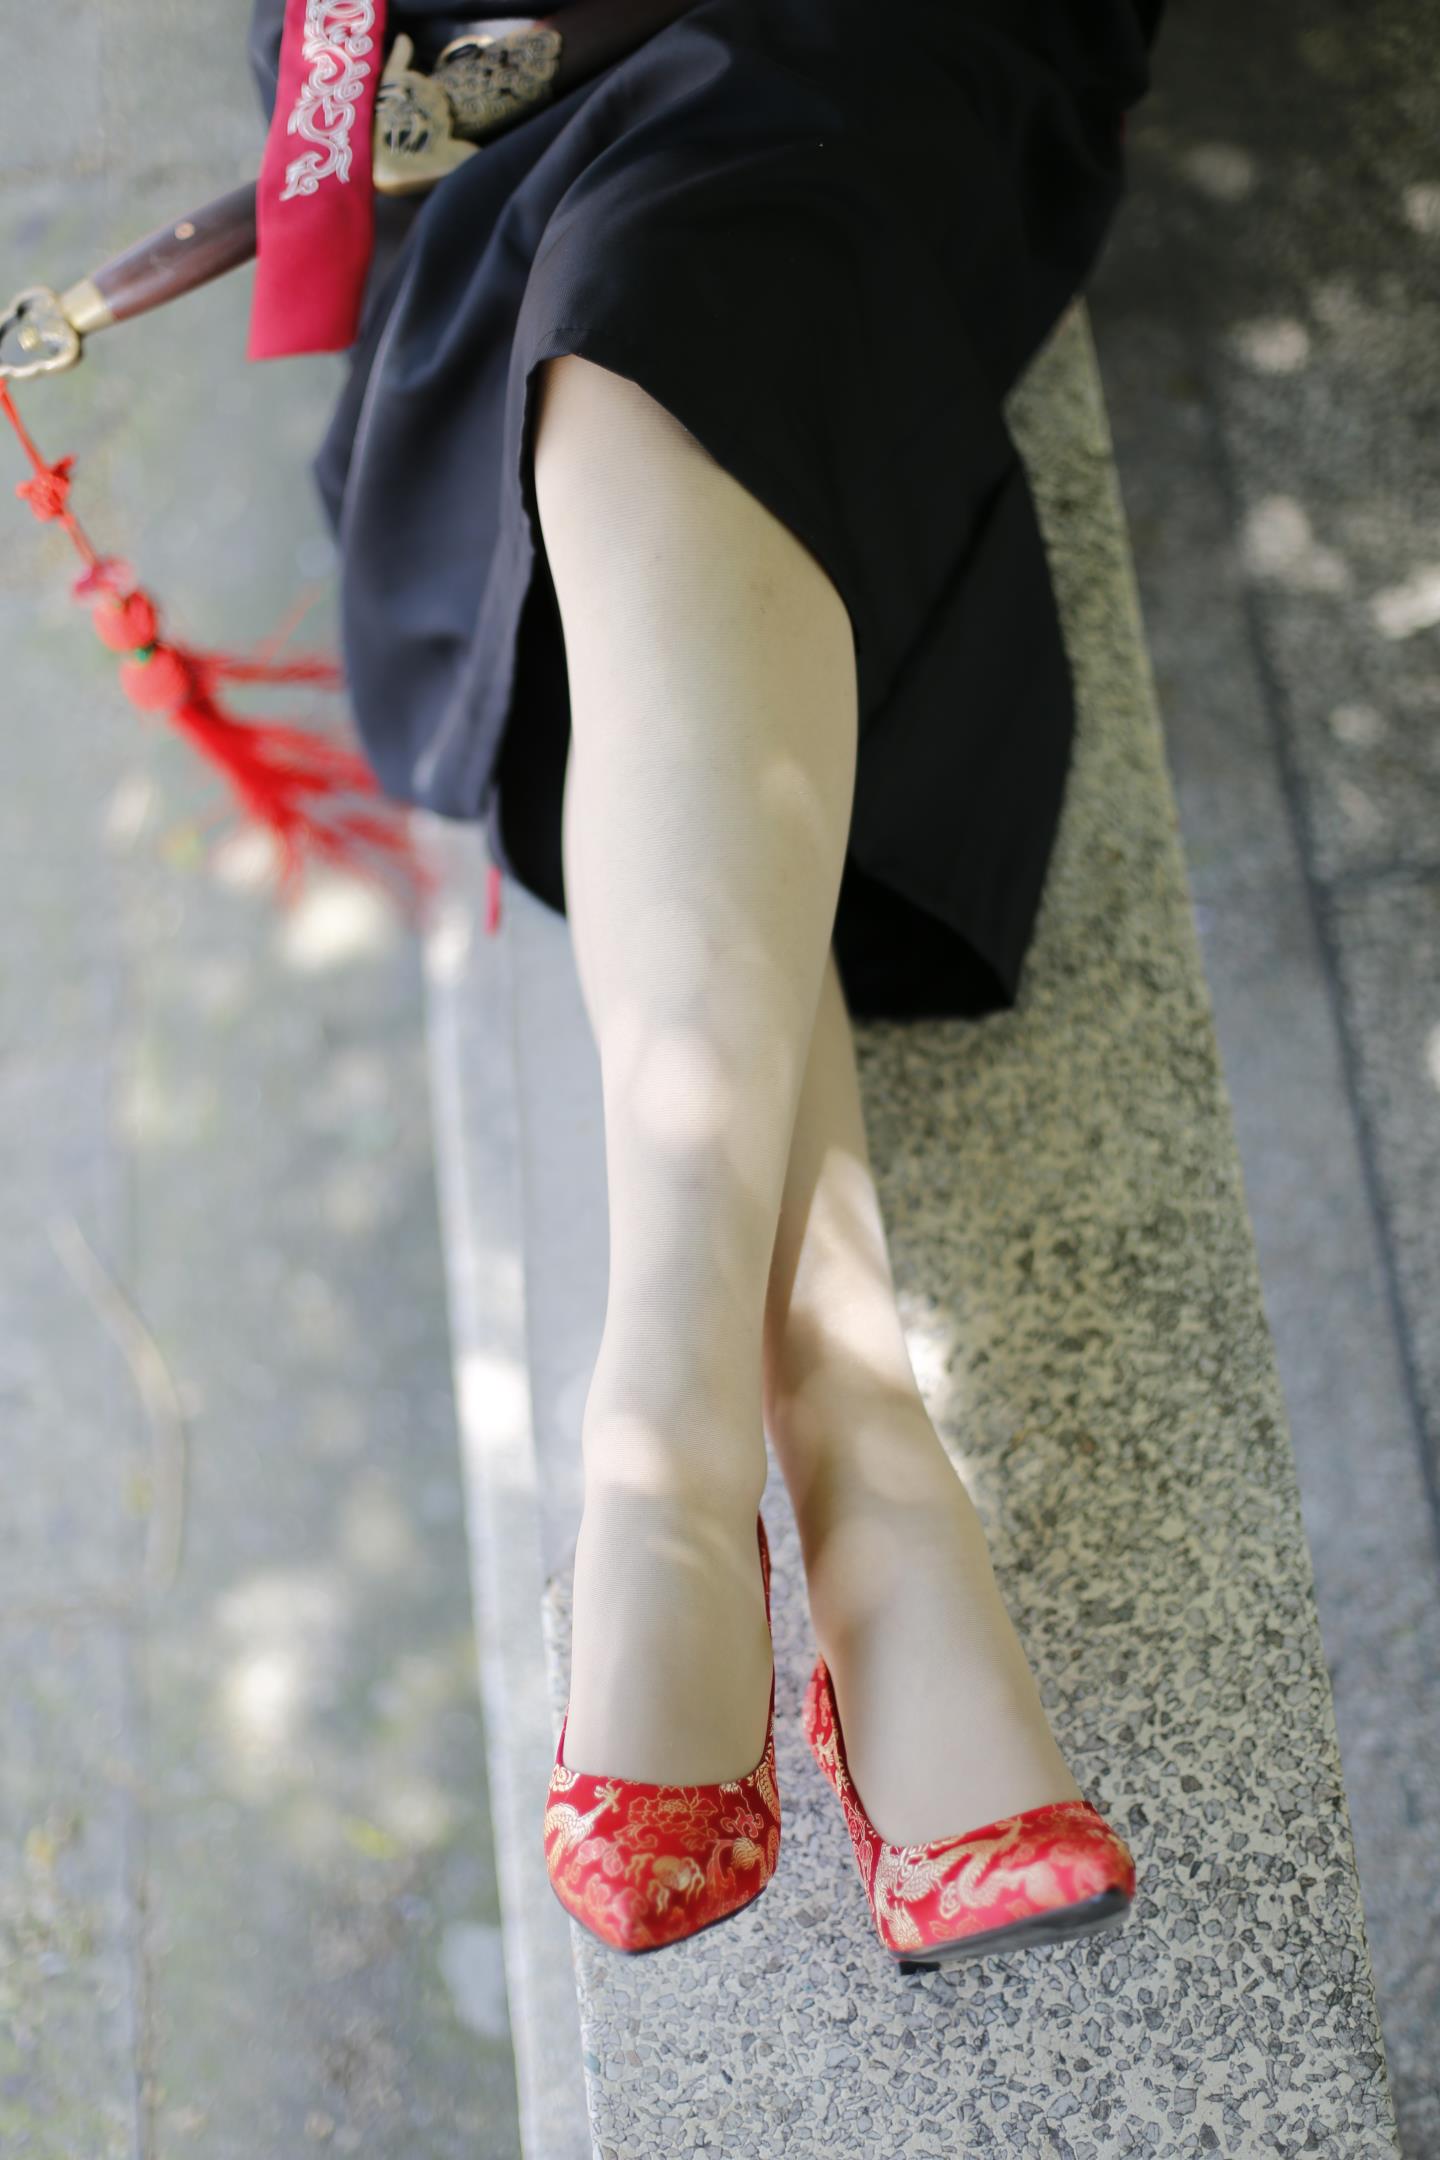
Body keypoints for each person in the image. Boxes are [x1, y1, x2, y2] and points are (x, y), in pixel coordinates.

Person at [248, 0, 1164, 1961]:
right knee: (621, 341)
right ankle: (861, 1464)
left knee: (680, 280)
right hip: (493, 59)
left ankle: (665, 1443)